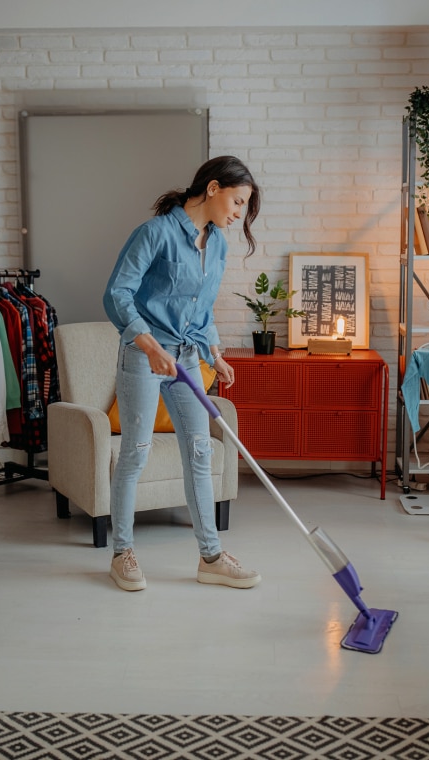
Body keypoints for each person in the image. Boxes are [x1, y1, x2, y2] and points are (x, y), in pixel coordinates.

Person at [102, 156, 261, 592]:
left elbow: (202, 307)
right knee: (135, 450)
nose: (237, 213)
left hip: (188, 357)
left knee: (200, 450)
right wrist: (148, 343)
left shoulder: (219, 244)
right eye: (236, 201)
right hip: (144, 356)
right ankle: (122, 553)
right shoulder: (154, 234)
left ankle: (211, 556)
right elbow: (117, 293)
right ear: (212, 189)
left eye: (244, 206)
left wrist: (216, 352)